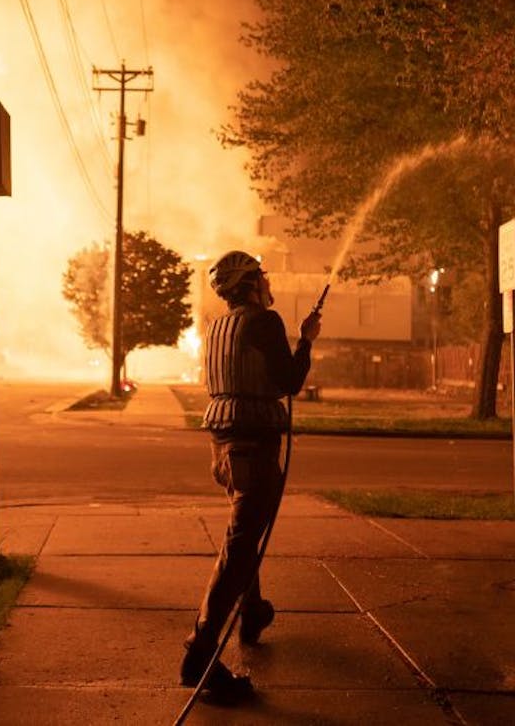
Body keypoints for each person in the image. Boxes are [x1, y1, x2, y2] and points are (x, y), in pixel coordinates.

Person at [180, 250, 322, 702]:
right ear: (247, 285)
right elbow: (288, 382)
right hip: (254, 447)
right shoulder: (265, 322)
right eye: (261, 275)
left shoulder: (216, 327)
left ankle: (252, 611)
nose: (268, 281)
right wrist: (306, 341)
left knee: (247, 531)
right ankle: (200, 654)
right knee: (240, 545)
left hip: (223, 448)